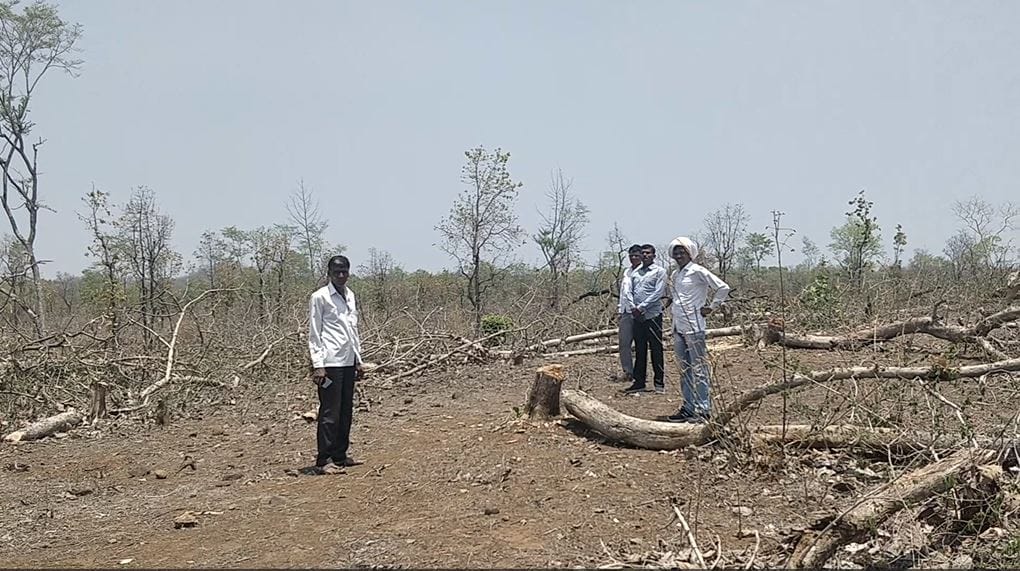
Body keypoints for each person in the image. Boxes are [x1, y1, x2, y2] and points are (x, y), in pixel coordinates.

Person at [308, 255, 365, 474]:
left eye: (344, 272)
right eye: (336, 272)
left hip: (348, 361)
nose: (341, 276)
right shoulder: (320, 297)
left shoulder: (350, 295)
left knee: (345, 411)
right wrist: (318, 365)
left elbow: (353, 330)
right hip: (329, 362)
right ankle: (325, 459)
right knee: (329, 412)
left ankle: (340, 455)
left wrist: (358, 360)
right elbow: (314, 333)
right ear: (329, 273)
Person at [664, 237, 730, 423]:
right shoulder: (676, 274)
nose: (678, 255)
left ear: (689, 253)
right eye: (676, 252)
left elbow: (723, 287)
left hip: (695, 326)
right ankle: (688, 407)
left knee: (699, 368)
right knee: (684, 369)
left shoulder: (698, 271)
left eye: (682, 252)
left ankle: (703, 410)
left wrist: (712, 307)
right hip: (678, 326)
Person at [623, 244, 667, 395]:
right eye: (643, 253)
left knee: (656, 349)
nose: (645, 255)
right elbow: (629, 291)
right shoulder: (635, 273)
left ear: (654, 255)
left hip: (653, 315)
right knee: (640, 349)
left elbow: (658, 292)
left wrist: (642, 307)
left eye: (648, 253)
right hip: (637, 317)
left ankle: (659, 383)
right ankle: (639, 382)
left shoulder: (659, 272)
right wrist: (633, 307)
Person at [612, 244, 643, 383]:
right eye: (631, 255)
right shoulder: (626, 272)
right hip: (625, 312)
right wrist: (620, 309)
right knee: (624, 343)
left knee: (640, 344)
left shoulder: (645, 272)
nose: (634, 258)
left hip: (639, 312)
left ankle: (640, 373)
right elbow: (623, 293)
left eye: (637, 255)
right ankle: (627, 371)